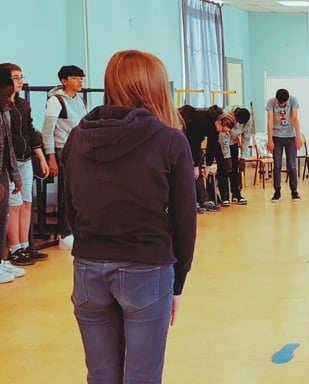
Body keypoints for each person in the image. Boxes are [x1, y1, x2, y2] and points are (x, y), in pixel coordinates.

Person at [62, 50, 197, 384]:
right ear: (155, 87)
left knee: (100, 375)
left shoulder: (77, 138)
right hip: (147, 269)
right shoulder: (170, 140)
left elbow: (70, 210)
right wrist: (178, 283)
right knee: (142, 376)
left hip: (88, 269)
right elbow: (184, 221)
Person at [1, 62, 50, 267]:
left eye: (21, 77)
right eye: (15, 77)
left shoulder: (23, 104)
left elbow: (30, 132)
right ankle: (15, 249)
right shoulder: (3, 106)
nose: (20, 81)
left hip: (26, 159)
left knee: (27, 203)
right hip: (9, 163)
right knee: (14, 205)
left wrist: (41, 157)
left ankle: (25, 245)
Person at [41, 64, 87, 250]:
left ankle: (76, 230)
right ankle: (64, 233)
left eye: (81, 78)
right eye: (75, 78)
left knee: (79, 192)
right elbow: (47, 130)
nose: (80, 81)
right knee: (66, 193)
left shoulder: (79, 99)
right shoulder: (56, 100)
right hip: (62, 150)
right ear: (64, 81)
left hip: (79, 149)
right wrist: (51, 157)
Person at [178, 105, 234, 211]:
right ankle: (191, 201)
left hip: (193, 142)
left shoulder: (215, 126)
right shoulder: (202, 120)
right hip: (184, 138)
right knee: (190, 171)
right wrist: (195, 165)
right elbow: (194, 143)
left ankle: (203, 200)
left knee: (198, 172)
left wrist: (208, 165)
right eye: (223, 130)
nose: (222, 132)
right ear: (219, 123)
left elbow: (212, 145)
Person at [0, 68, 24, 284]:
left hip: (4, 171)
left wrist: (15, 174)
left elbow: (8, 145)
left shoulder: (5, 110)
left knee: (3, 215)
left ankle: (2, 260)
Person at [266, 88, 302, 202]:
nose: (282, 105)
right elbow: (270, 120)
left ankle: (294, 191)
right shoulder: (271, 102)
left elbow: (295, 118)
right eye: (280, 103)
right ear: (276, 99)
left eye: (284, 103)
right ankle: (277, 191)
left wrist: (298, 136)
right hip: (277, 136)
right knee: (277, 165)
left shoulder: (293, 100)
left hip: (290, 137)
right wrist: (270, 139)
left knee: (292, 165)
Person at [218, 106, 251, 206]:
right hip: (220, 143)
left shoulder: (248, 119)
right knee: (223, 168)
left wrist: (243, 157)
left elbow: (246, 138)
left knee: (235, 169)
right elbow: (223, 136)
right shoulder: (226, 114)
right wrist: (227, 157)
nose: (239, 125)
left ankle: (236, 194)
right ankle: (224, 196)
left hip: (234, 143)